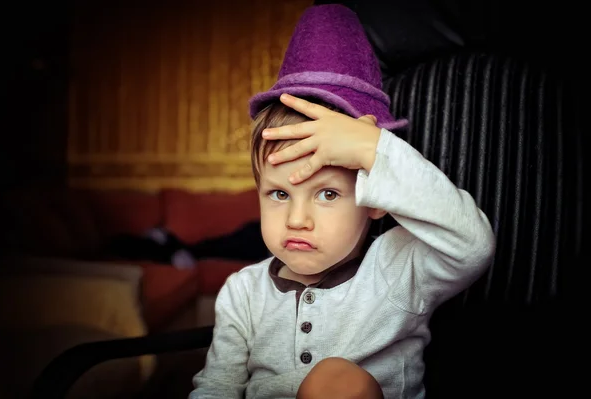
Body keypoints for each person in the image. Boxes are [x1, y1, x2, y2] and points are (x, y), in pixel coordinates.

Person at [190, 4, 495, 398]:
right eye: (280, 193)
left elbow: (473, 245)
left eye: (328, 194)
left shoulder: (400, 268)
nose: (297, 219)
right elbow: (217, 388)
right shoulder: (242, 291)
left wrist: (374, 151)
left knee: (336, 380)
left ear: (374, 197)